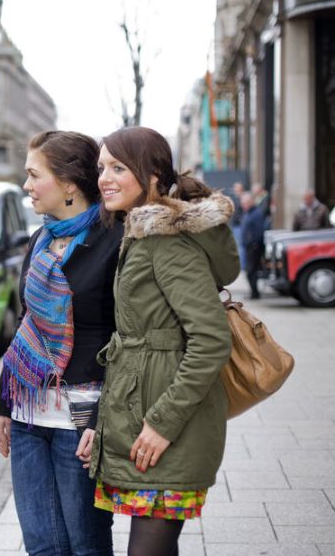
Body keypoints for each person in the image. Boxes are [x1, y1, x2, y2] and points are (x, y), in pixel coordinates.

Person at [91, 126, 239, 555]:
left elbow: (210, 339)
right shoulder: (141, 234)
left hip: (168, 428)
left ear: (153, 175)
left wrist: (162, 424)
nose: (104, 178)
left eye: (118, 168)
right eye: (102, 168)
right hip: (147, 420)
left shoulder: (166, 242)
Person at [0, 131, 121, 555]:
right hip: (29, 416)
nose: (26, 185)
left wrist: (101, 420)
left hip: (80, 423)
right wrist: (3, 402)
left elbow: (126, 340)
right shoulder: (40, 240)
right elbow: (26, 323)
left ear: (68, 183)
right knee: (42, 547)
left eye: (34, 174)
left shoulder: (116, 241)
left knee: (86, 546)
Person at [240, 192, 267, 299]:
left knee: (251, 271)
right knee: (249, 271)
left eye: (245, 203)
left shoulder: (256, 214)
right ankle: (253, 292)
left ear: (251, 202)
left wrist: (254, 243)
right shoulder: (248, 213)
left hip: (254, 247)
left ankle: (255, 293)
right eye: (243, 203)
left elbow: (259, 231)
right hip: (248, 247)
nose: (243, 205)